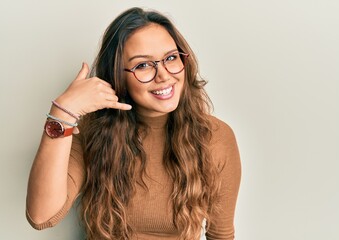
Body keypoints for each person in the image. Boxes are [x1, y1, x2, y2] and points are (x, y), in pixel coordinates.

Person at [26, 7, 241, 240]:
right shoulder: (91, 130)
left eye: (171, 58)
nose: (164, 75)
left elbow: (221, 235)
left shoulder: (215, 137)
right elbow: (41, 216)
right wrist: (61, 113)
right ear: (119, 77)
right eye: (143, 65)